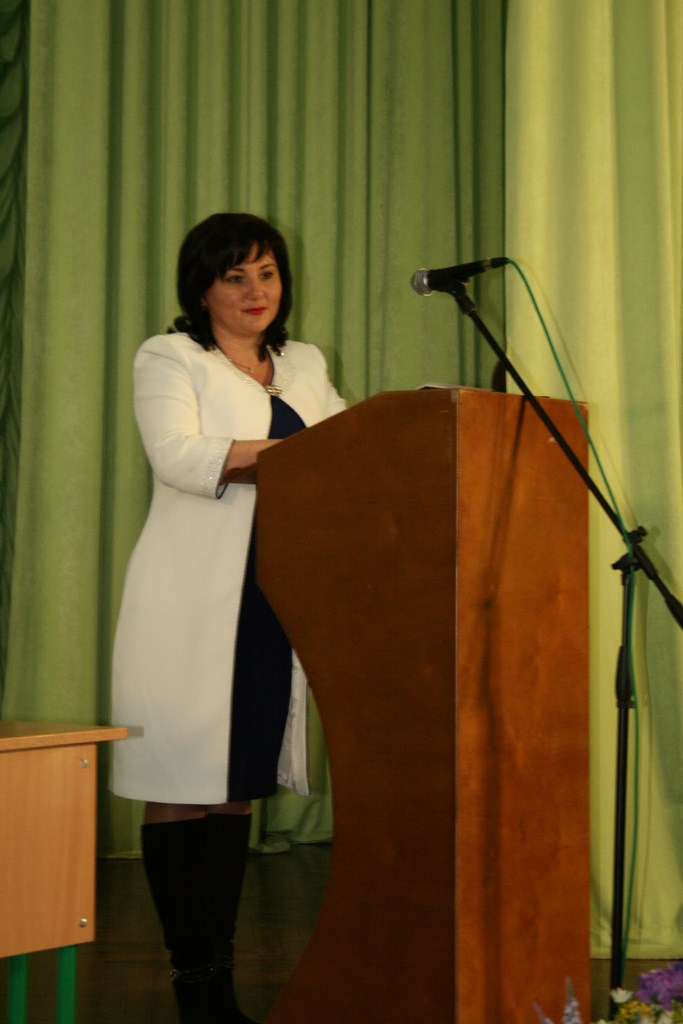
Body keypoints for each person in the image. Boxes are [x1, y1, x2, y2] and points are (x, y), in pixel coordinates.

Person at [110, 212, 346, 1024]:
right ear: (201, 289)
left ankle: (220, 979)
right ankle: (195, 983)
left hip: (274, 603)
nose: (255, 291)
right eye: (234, 276)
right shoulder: (170, 356)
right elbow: (179, 457)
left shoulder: (306, 363)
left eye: (267, 273)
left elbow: (351, 450)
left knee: (235, 791)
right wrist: (300, 455)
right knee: (183, 787)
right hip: (188, 605)